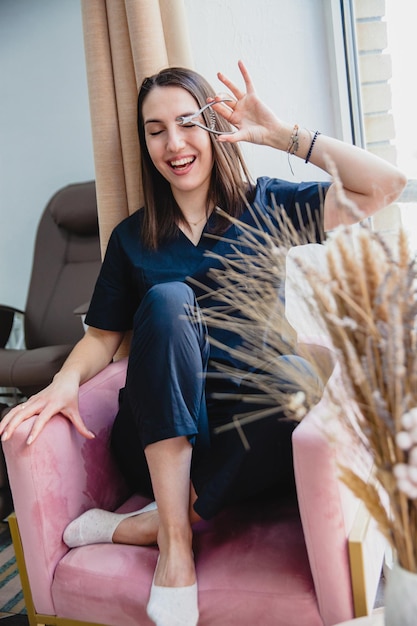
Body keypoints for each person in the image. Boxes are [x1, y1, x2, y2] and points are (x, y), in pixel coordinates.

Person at [0, 60, 406, 626]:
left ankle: (153, 523)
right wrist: (63, 383)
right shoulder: (132, 239)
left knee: (294, 377)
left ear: (213, 126)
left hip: (247, 446)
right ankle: (175, 544)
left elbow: (387, 186)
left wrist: (282, 135)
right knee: (167, 301)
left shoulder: (267, 205)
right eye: (156, 129)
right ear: (144, 142)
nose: (174, 143)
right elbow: (101, 337)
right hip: (156, 437)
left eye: (188, 122)